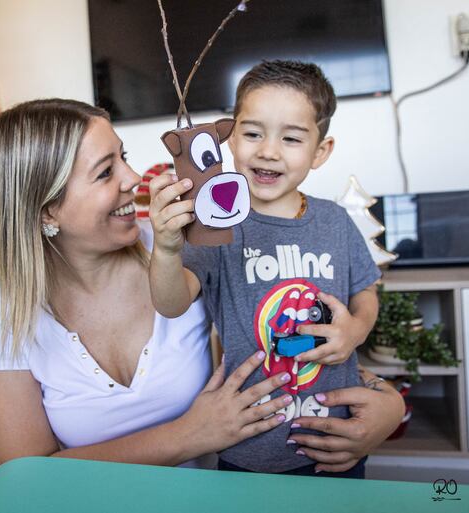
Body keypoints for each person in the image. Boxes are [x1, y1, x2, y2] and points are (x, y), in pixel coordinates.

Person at [0, 98, 404, 472]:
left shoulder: (188, 250)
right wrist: (189, 435)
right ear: (47, 210)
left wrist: (388, 405)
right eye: (106, 172)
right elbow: (26, 470)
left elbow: (281, 343)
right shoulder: (4, 309)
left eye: (123, 157)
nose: (134, 177)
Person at [149, 61, 383, 477]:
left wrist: (357, 329)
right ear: (231, 137)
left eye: (291, 138)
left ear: (320, 151)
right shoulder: (214, 225)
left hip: (336, 444)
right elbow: (171, 302)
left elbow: (365, 290)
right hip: (248, 450)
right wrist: (167, 248)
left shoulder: (334, 221)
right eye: (253, 133)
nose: (268, 151)